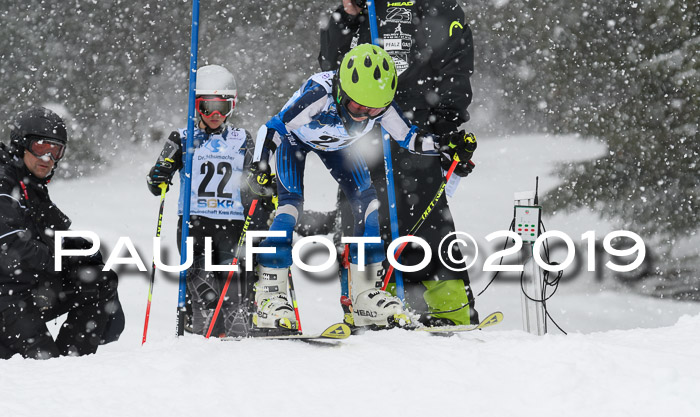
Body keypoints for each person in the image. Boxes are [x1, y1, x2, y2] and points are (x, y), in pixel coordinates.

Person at [249, 44, 476, 333]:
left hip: (339, 146)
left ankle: (365, 295)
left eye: (374, 110)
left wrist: (444, 147)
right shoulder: (318, 95)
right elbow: (271, 128)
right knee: (289, 208)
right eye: (357, 106)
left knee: (368, 204)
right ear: (342, 91)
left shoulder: (377, 105)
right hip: (296, 141)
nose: (363, 115)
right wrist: (259, 165)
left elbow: (408, 138)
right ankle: (270, 296)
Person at [318, 0, 479, 327]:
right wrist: (348, 17)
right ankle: (372, 308)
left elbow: (456, 65)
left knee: (428, 224)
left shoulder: (437, 6)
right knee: (363, 218)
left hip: (419, 127)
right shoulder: (361, 8)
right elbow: (332, 66)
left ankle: (452, 309)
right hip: (363, 129)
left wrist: (447, 123)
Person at [146, 65, 267, 337]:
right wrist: (161, 175)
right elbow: (154, 184)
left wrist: (260, 183)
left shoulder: (241, 138)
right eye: (207, 107)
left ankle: (235, 320)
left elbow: (255, 182)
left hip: (232, 223)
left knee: (233, 283)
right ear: (196, 105)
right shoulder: (183, 137)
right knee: (200, 279)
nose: (215, 115)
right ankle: (199, 319)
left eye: (222, 108)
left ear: (232, 106)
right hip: (194, 222)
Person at [0, 107, 125, 359]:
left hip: (25, 290)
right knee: (45, 365)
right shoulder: (4, 180)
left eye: (55, 150)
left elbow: (57, 233)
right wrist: (59, 260)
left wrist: (85, 253)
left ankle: (72, 363)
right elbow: (9, 242)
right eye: (40, 147)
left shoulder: (31, 185)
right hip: (6, 296)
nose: (47, 158)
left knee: (98, 279)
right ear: (21, 144)